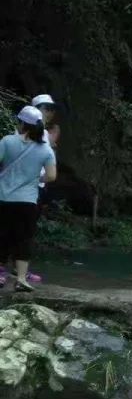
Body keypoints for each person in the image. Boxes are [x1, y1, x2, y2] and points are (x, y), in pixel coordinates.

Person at [0, 106, 57, 292]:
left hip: (3, 197)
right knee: (24, 238)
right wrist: (34, 178)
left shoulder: (7, 141)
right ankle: (22, 279)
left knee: (2, 235)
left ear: (21, 123)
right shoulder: (45, 150)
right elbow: (51, 176)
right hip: (28, 200)